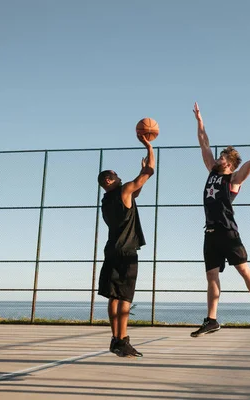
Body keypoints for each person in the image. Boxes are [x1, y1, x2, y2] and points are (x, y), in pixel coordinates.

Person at [191, 102, 250, 337]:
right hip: (210, 233)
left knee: (243, 270)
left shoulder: (233, 180)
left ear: (229, 164)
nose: (218, 158)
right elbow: (203, 143)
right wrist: (200, 121)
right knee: (211, 276)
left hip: (228, 233)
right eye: (219, 155)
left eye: (222, 157)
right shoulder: (212, 171)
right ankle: (211, 320)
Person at [97, 133, 155, 357]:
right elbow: (150, 172)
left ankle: (116, 339)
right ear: (109, 180)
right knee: (125, 298)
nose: (119, 176)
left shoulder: (107, 200)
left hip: (112, 250)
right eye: (115, 175)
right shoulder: (123, 191)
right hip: (126, 252)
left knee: (114, 296)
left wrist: (142, 174)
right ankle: (122, 340)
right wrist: (149, 147)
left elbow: (139, 185)